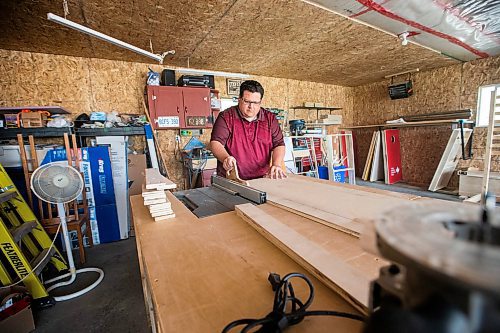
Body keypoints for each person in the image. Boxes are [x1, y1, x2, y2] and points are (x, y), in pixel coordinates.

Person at [210, 80, 286, 180]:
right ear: (239, 99)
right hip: (233, 179)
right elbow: (216, 143)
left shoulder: (270, 119)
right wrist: (225, 158)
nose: (251, 107)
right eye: (247, 101)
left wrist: (276, 164)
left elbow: (279, 144)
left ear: (260, 102)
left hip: (261, 179)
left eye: (255, 103)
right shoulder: (226, 117)